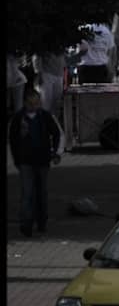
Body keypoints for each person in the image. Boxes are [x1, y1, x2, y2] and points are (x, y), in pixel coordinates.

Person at [9, 91, 62, 237]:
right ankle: (26, 224)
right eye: (31, 103)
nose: (34, 106)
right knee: (27, 193)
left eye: (36, 103)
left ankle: (41, 221)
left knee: (41, 192)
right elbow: (13, 140)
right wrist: (17, 160)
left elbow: (57, 133)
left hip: (42, 160)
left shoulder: (44, 116)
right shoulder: (19, 118)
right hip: (26, 161)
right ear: (25, 103)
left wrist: (56, 152)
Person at [32, 51, 66, 118]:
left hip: (59, 75)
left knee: (57, 104)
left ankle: (54, 124)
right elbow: (37, 55)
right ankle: (42, 124)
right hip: (46, 73)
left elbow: (64, 59)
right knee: (45, 104)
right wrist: (39, 73)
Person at [7, 53, 27, 117]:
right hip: (15, 79)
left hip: (18, 80)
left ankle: (18, 123)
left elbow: (23, 63)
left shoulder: (14, 50)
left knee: (18, 107)